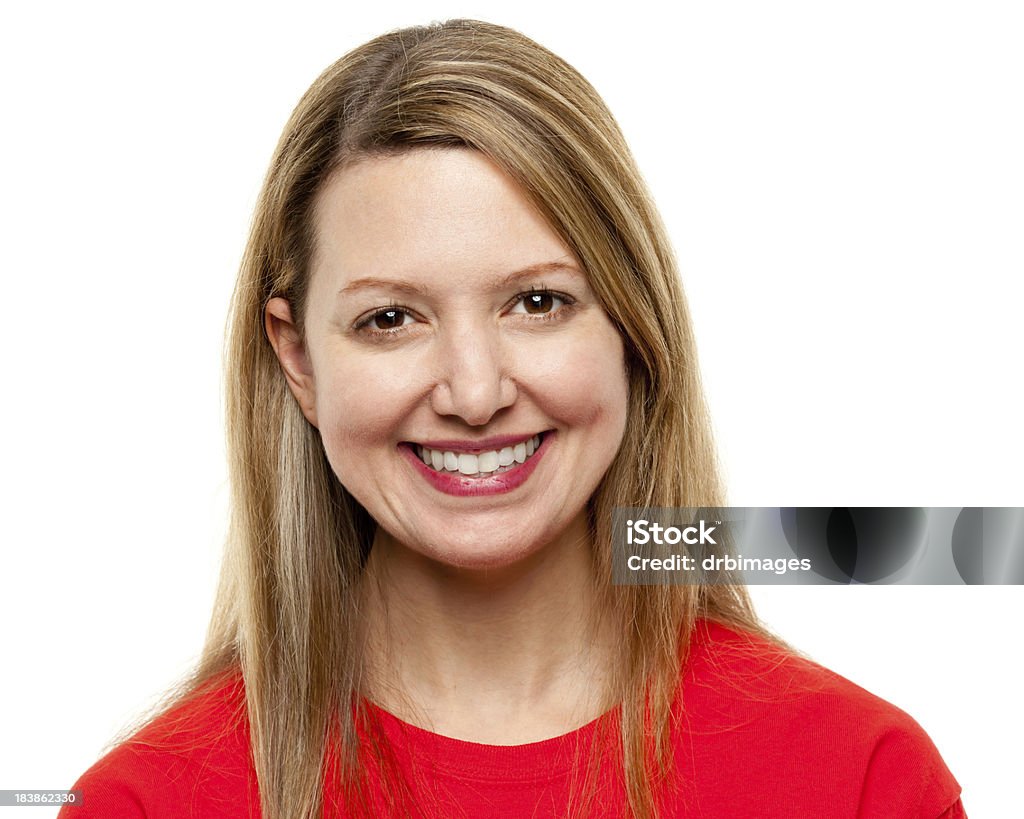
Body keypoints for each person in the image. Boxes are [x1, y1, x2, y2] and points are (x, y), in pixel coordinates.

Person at [60, 19, 965, 819]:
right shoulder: (145, 804)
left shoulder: (860, 781)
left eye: (536, 302)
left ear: (631, 322)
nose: (475, 390)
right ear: (298, 358)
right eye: (390, 318)